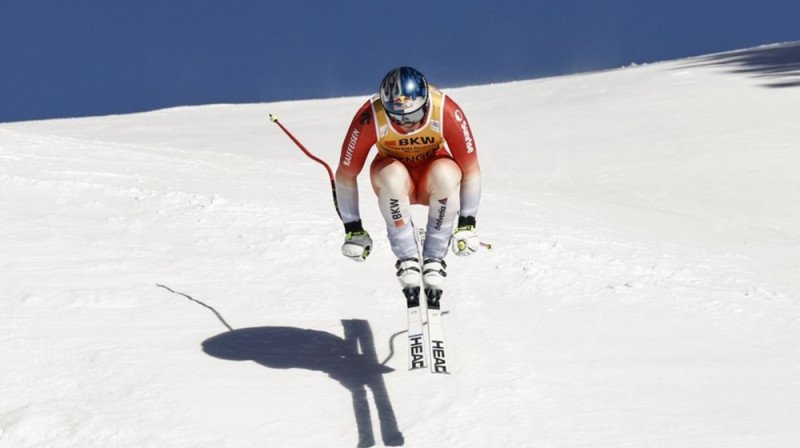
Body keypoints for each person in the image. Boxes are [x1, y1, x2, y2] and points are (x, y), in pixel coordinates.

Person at [334, 66, 482, 304]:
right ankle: (406, 258)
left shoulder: (444, 110)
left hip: (431, 179)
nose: (407, 125)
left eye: (413, 117)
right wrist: (353, 229)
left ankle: (434, 257)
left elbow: (472, 170)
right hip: (394, 179)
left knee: (446, 175)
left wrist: (468, 223)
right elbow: (345, 174)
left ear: (424, 104)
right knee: (392, 178)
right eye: (397, 117)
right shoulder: (371, 116)